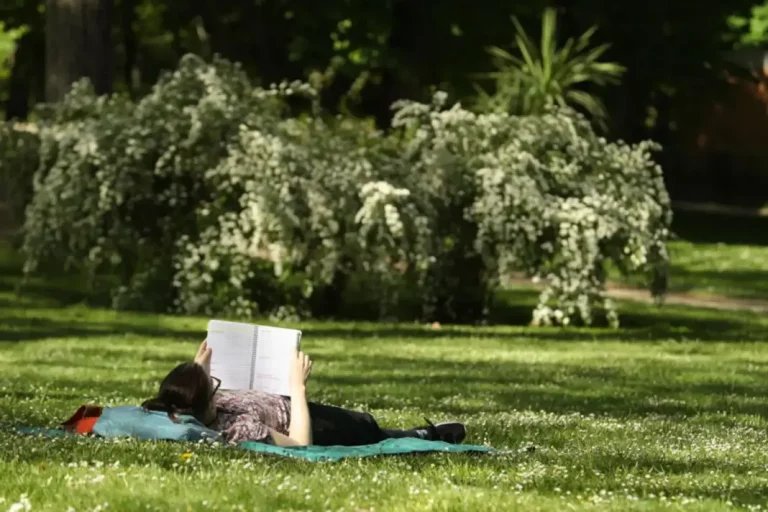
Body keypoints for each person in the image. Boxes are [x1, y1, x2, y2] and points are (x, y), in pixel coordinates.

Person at [142, 340, 467, 447]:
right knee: (369, 427)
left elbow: (189, 396)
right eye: (211, 387)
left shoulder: (183, 407)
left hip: (282, 401)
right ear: (205, 404)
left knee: (370, 426)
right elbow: (300, 444)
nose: (216, 387)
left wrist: (198, 368)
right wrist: (297, 385)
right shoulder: (237, 431)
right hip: (308, 421)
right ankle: (426, 436)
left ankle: (417, 433)